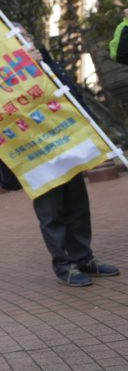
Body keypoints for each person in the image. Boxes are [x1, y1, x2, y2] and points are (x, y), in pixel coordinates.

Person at [16, 25, 120, 287]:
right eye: (18, 38)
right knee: (51, 210)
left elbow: (71, 94)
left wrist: (44, 65)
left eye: (27, 36)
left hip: (64, 142)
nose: (26, 41)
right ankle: (64, 265)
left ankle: (84, 257)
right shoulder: (1, 76)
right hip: (34, 152)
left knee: (76, 204)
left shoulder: (45, 63)